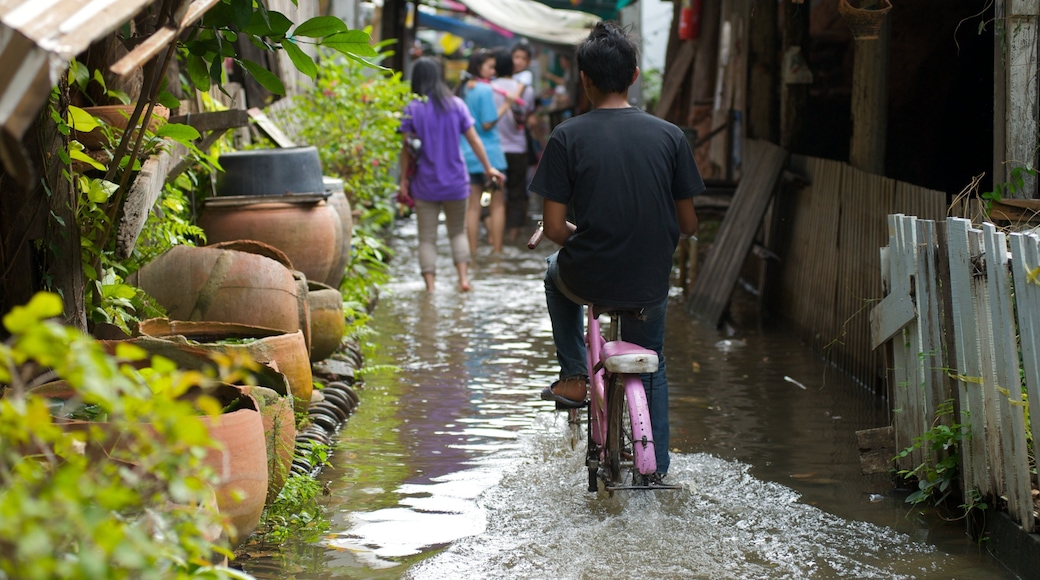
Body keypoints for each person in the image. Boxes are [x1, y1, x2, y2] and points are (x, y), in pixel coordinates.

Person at [528, 22, 703, 482]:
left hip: (587, 274)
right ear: (635, 75)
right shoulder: (670, 137)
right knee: (654, 363)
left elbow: (551, 228)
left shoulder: (566, 137)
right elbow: (689, 225)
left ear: (584, 79)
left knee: (552, 273)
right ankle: (658, 470)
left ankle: (574, 374)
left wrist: (588, 239)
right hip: (649, 279)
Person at [399, 57, 504, 292]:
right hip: (456, 182)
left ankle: (431, 286)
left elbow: (405, 151)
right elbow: (474, 139)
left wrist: (403, 182)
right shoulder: (456, 105)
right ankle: (464, 280)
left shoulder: (412, 109)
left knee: (426, 238)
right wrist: (489, 167)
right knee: (457, 232)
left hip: (424, 184)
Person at [455, 49, 512, 255]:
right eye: (490, 66)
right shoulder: (484, 90)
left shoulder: (463, 89)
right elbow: (488, 123)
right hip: (491, 157)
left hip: (468, 155)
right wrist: (507, 105)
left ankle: (472, 255)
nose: (493, 70)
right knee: (496, 206)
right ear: (479, 67)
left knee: (473, 208)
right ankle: (497, 253)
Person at [490, 48, 535, 244]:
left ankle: (492, 237)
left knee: (492, 194)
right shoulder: (527, 90)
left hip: (494, 149)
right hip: (518, 148)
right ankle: (513, 236)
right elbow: (526, 115)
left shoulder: (488, 88)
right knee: (517, 194)